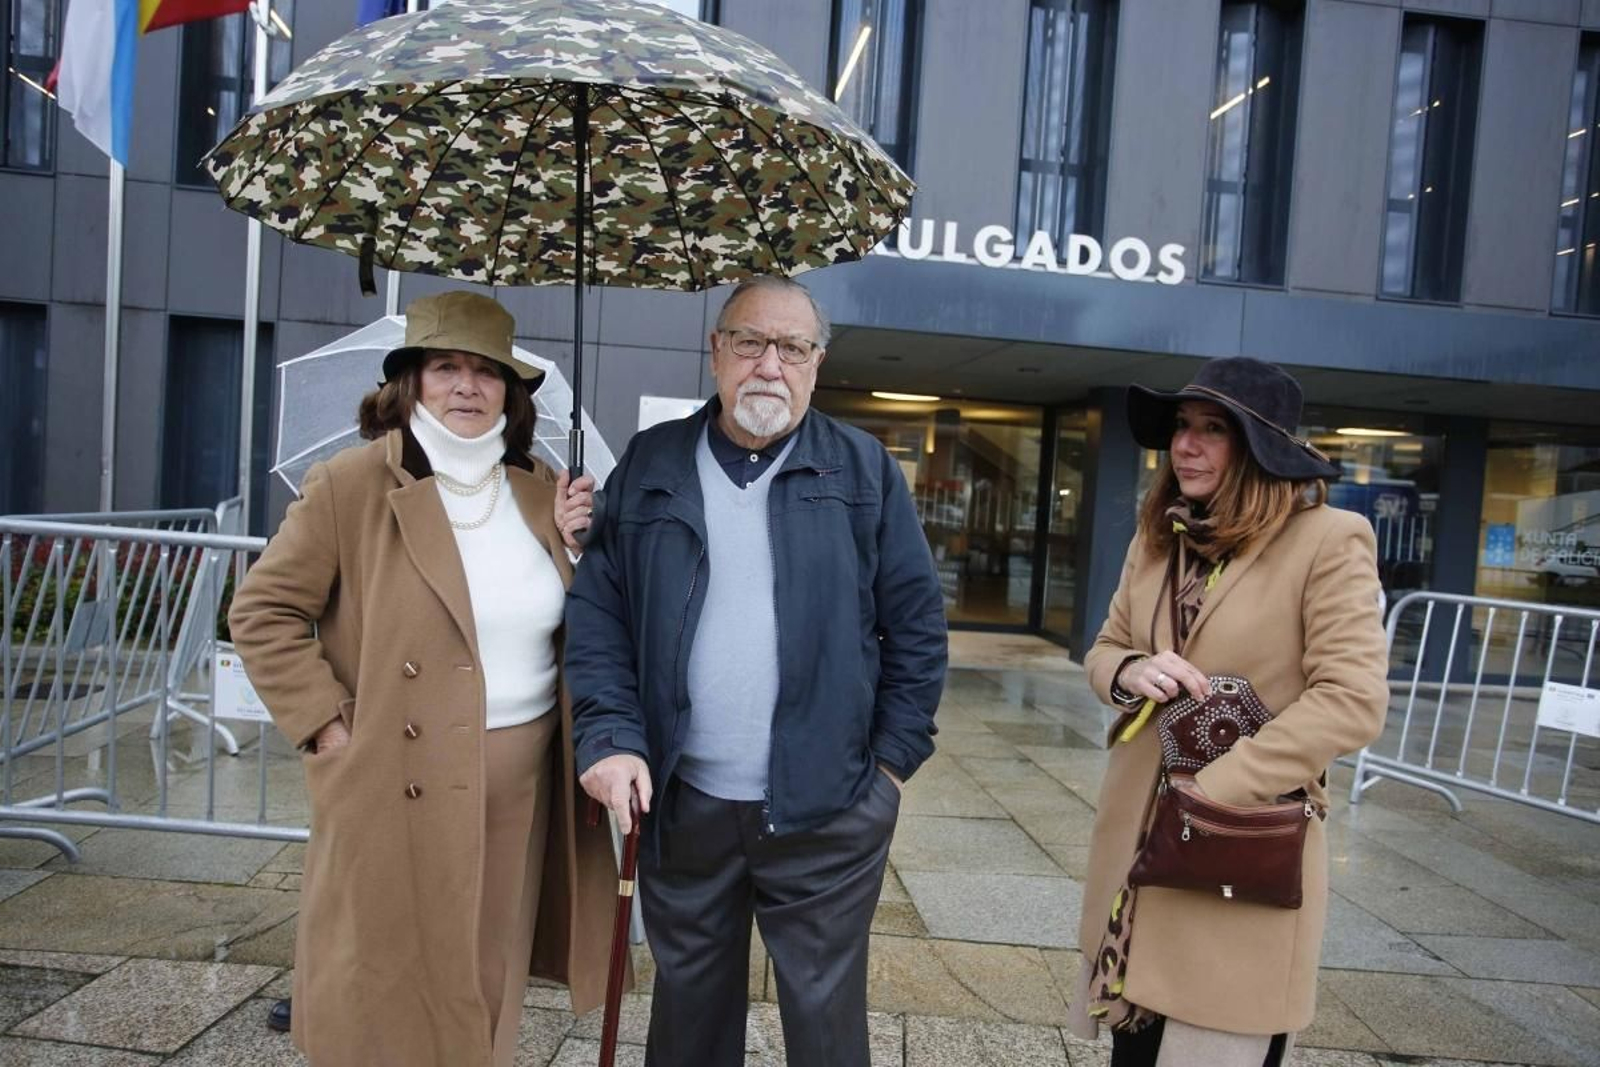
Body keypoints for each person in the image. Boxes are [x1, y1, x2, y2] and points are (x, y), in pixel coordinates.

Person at [555, 276, 947, 1067]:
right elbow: (599, 616)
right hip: (684, 798)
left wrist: (889, 773)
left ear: (817, 364)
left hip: (828, 807)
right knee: (689, 1012)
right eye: (749, 342)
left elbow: (917, 628)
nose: (770, 364)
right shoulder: (653, 461)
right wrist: (607, 738)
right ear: (715, 353)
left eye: (792, 348)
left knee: (826, 1021)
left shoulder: (863, 471)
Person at [229, 291, 621, 1067]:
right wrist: (330, 725)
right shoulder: (350, 484)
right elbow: (261, 611)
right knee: (388, 979)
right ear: (410, 382)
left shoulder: (543, 487)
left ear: (512, 393)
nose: (467, 387)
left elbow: (574, 625)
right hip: (394, 771)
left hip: (522, 778)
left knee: (486, 968)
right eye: (446, 367)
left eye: (488, 372)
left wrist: (582, 548)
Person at [1067, 357, 1389, 1066]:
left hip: (1240, 848)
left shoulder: (1329, 541)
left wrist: (1212, 792)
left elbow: (1353, 698)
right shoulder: (1157, 538)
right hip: (1138, 858)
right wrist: (1129, 669)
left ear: (1259, 450)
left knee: (1216, 1036)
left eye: (1213, 430)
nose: (1185, 444)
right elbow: (1103, 649)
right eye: (1183, 426)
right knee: (1136, 1047)